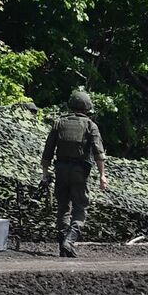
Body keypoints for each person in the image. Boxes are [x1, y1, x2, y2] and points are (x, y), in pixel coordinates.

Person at [41, 90, 107, 257]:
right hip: (79, 171)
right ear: (86, 108)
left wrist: (45, 173)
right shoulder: (90, 125)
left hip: (60, 169)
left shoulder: (59, 123)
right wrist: (102, 176)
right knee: (80, 208)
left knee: (63, 207)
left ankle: (63, 243)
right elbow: (98, 153)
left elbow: (48, 151)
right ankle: (69, 241)